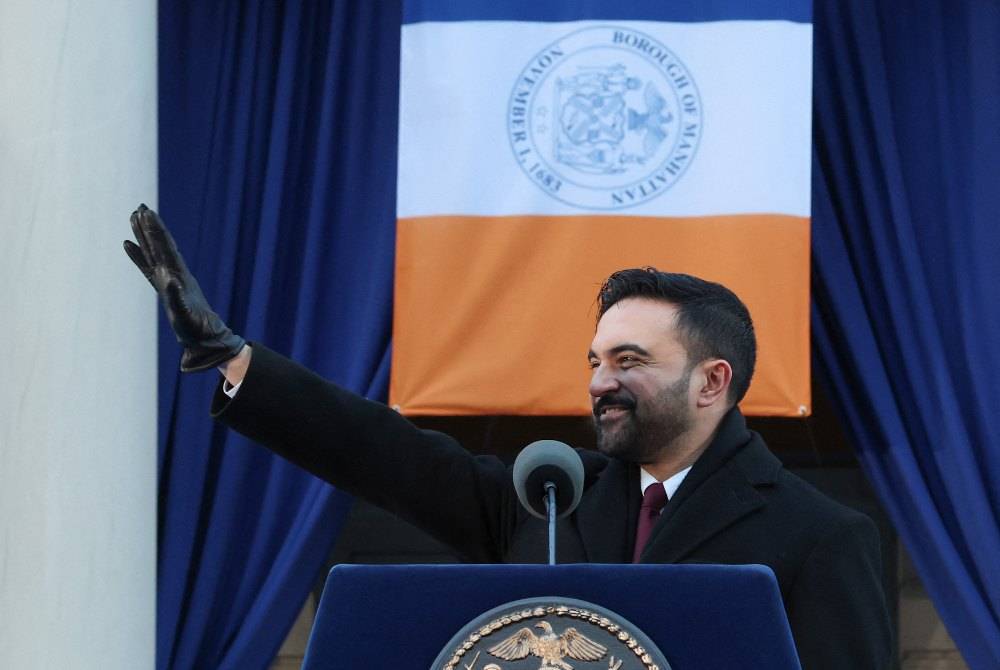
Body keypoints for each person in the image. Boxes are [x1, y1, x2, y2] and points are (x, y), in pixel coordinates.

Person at [125, 204, 893, 668]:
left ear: (713, 381)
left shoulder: (820, 537)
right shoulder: (551, 502)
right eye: (594, 360)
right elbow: (383, 454)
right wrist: (237, 361)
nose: (599, 383)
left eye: (629, 361)